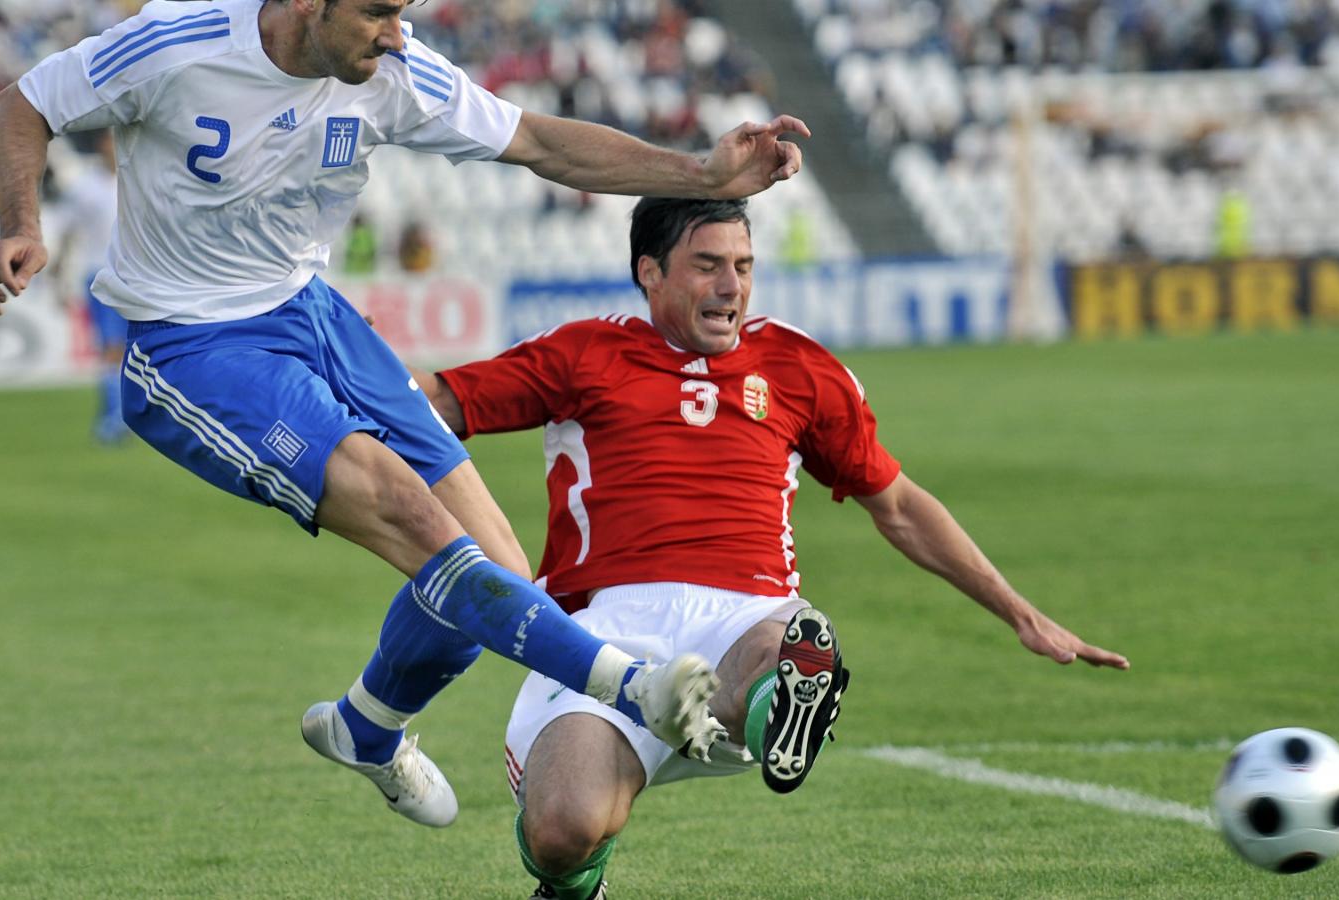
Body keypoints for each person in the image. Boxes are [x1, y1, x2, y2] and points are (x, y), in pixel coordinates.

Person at [0, 0, 812, 830]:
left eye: (402, 10)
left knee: (498, 571)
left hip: (313, 313)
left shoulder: (394, 71)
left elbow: (542, 142)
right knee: (412, 517)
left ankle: (364, 728)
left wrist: (700, 175)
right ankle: (631, 686)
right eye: (377, 11)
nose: (396, 32)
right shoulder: (176, 43)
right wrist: (21, 225)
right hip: (197, 345)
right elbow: (24, 103)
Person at [416, 197, 1130, 899]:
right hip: (602, 628)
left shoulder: (797, 366)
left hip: (745, 610)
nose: (731, 285)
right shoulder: (583, 353)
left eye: (743, 265)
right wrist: (328, 390)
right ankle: (577, 879)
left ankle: (774, 705)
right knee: (562, 831)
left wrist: (1018, 612)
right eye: (707, 266)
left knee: (787, 645)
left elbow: (901, 505)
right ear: (650, 272)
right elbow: (435, 403)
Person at [49, 129, 129, 444]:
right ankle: (114, 420)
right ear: (101, 146)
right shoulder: (84, 187)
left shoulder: (133, 178)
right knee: (111, 349)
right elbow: (67, 232)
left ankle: (121, 415)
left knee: (131, 350)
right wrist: (57, 272)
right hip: (100, 275)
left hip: (135, 277)